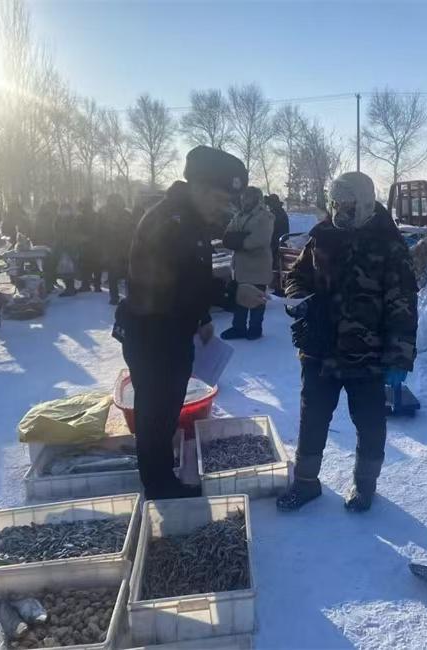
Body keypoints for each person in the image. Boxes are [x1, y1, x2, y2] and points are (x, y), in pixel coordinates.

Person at [113, 146, 266, 500]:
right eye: (218, 198)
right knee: (155, 413)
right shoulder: (169, 223)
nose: (222, 207)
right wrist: (231, 294)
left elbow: (191, 274)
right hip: (153, 336)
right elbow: (172, 286)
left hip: (171, 331)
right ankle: (159, 487)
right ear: (197, 186)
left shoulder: (190, 222)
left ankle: (161, 471)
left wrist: (201, 317)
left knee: (166, 408)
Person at [276, 172, 418, 513]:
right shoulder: (322, 235)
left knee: (370, 423)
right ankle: (306, 483)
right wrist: (299, 299)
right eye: (335, 204)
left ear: (365, 203)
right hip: (320, 349)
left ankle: (364, 485)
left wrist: (399, 357)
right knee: (312, 418)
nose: (340, 211)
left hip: (367, 355)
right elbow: (296, 276)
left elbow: (402, 303)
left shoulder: (388, 243)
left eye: (348, 205)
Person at [221, 187, 274, 341]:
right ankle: (239, 327)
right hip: (241, 266)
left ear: (256, 199)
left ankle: (255, 328)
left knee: (257, 298)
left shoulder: (265, 216)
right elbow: (227, 235)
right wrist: (239, 238)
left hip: (258, 266)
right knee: (241, 298)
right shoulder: (239, 215)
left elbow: (260, 239)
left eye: (248, 197)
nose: (244, 200)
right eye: (243, 197)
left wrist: (238, 240)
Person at [101, 194, 134, 306]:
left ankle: (116, 297)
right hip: (118, 249)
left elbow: (131, 231)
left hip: (120, 249)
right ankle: (120, 297)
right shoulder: (111, 215)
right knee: (121, 276)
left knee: (118, 276)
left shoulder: (118, 215)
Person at [76, 198, 103, 292]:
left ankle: (86, 285)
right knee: (96, 266)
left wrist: (82, 238)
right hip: (95, 244)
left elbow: (77, 230)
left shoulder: (81, 217)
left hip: (88, 244)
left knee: (86, 266)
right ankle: (96, 285)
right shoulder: (96, 216)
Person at [53, 202, 79, 297]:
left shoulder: (72, 220)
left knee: (69, 268)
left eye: (66, 210)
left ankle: (70, 288)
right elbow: (57, 232)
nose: (64, 212)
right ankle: (70, 287)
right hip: (62, 246)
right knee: (65, 268)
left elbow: (73, 233)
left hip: (70, 246)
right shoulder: (58, 220)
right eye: (62, 210)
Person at [265, 193, 290, 285]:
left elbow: (271, 228)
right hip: (275, 242)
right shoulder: (277, 212)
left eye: (270, 203)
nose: (269, 206)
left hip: (276, 244)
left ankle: (275, 283)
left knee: (274, 267)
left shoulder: (278, 214)